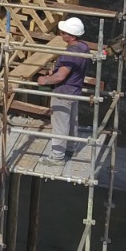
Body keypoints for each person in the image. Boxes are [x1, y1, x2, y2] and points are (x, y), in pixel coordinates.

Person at [35, 16, 92, 161]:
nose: (60, 34)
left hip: (63, 92)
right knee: (72, 121)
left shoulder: (71, 54)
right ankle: (71, 148)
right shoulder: (83, 47)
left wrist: (45, 80)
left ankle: (57, 157)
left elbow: (60, 77)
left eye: (63, 32)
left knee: (60, 124)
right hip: (75, 90)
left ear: (71, 35)